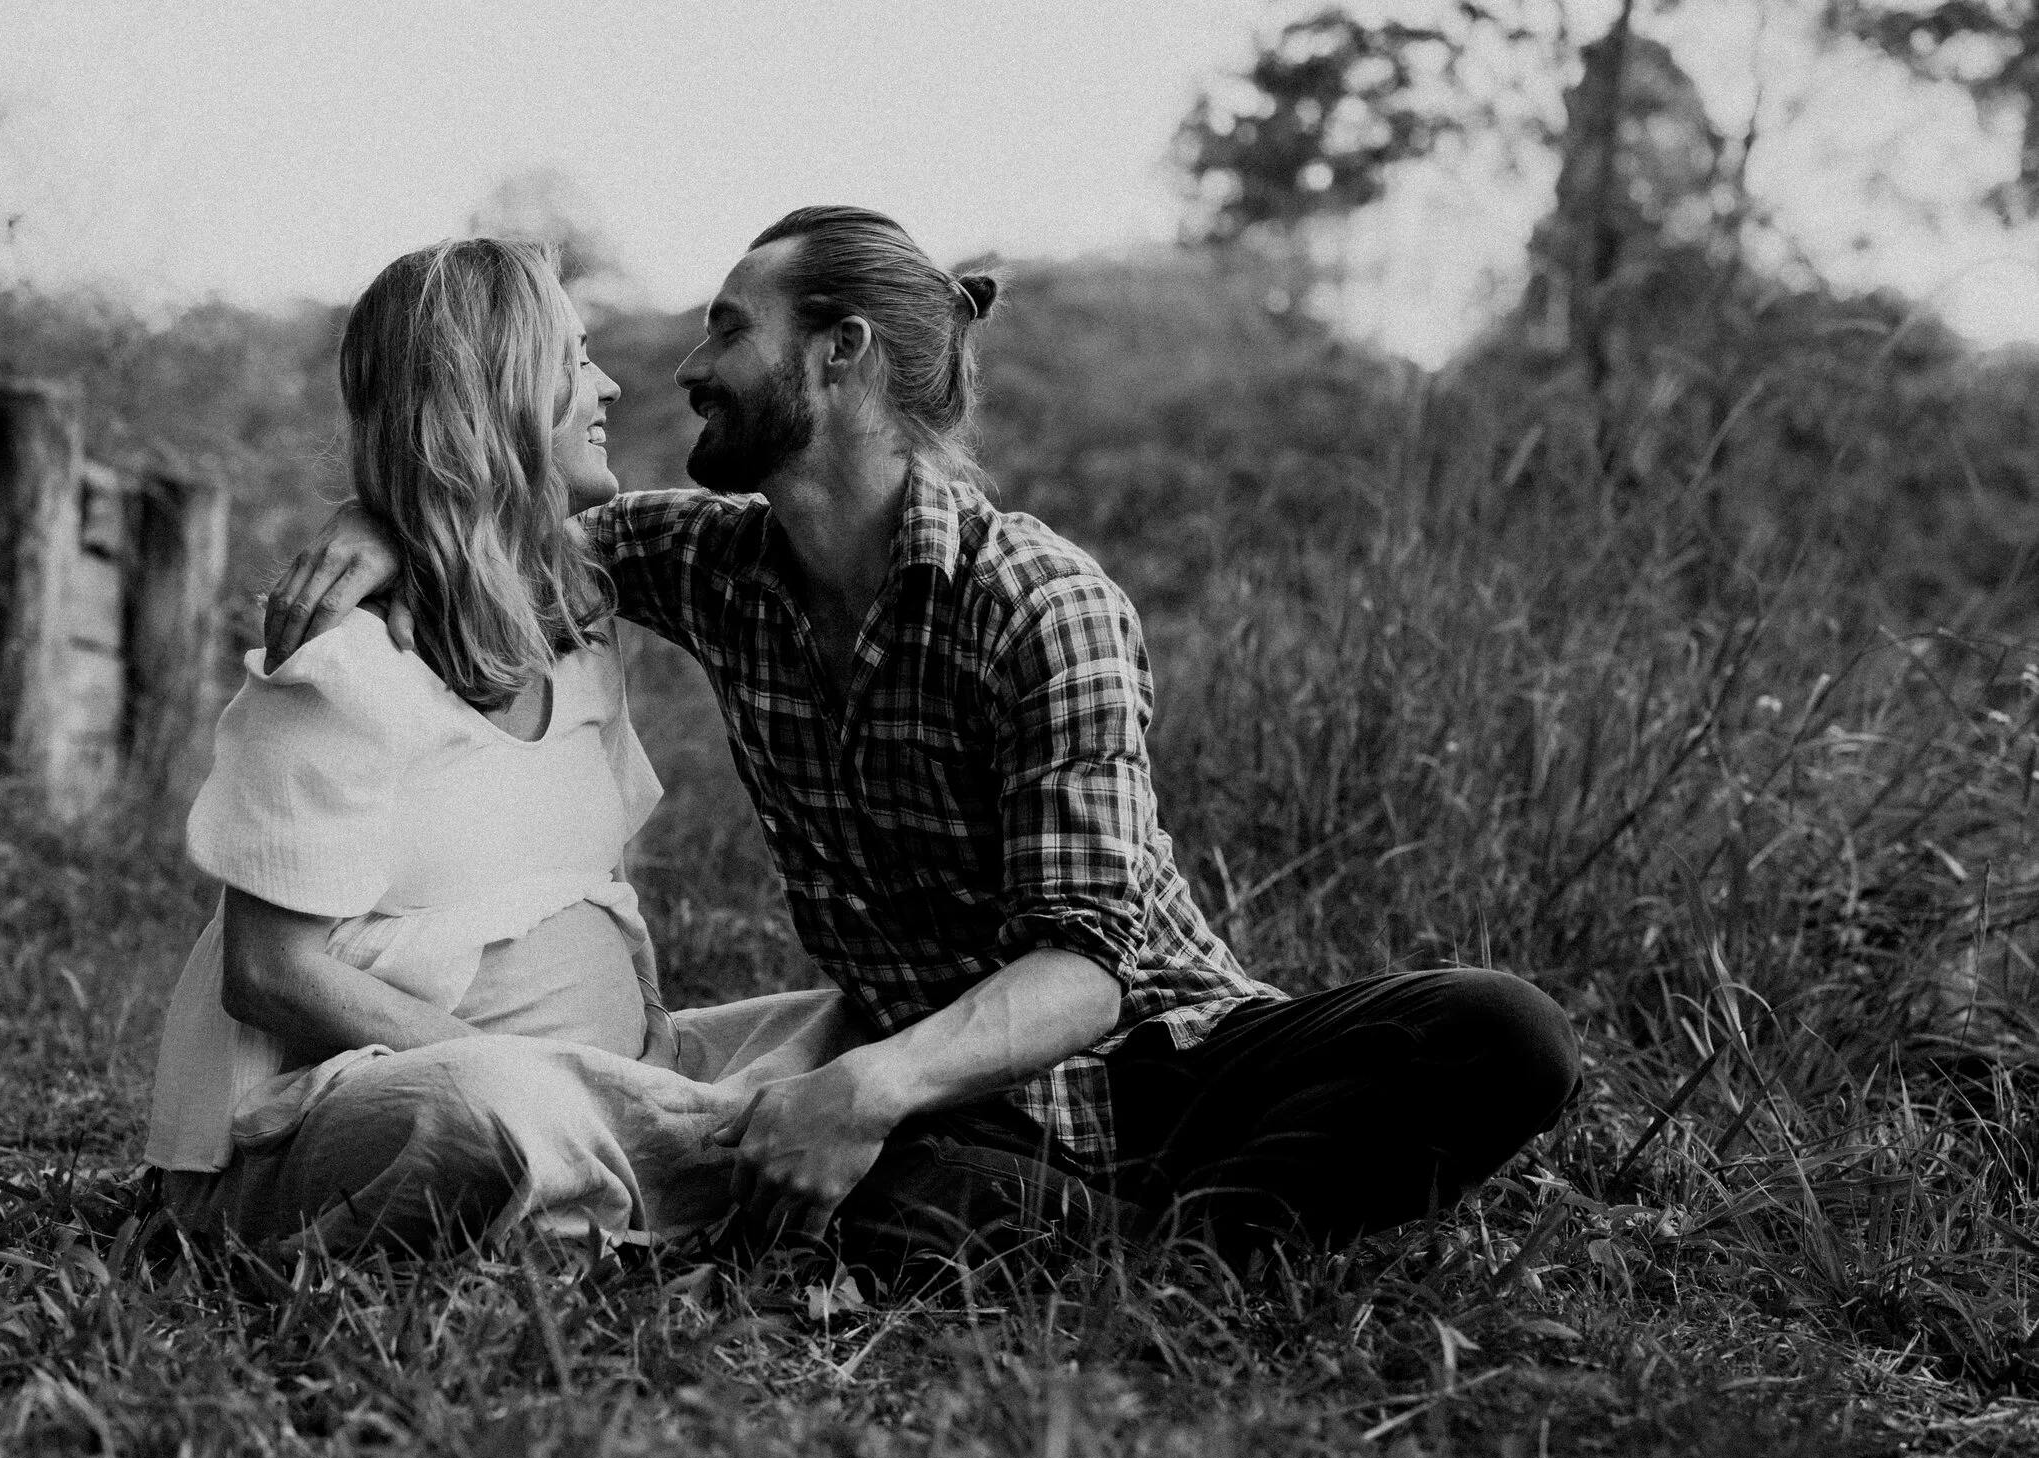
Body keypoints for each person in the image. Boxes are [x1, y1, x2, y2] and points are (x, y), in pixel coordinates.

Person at [262, 206, 1580, 1271]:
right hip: (958, 1111)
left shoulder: (1040, 606)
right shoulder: (712, 563)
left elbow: (1091, 971)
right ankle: (1165, 1253)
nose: (687, 369)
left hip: (1153, 1062)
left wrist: (869, 1087)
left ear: (837, 354)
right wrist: (374, 520)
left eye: (730, 327)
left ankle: (1147, 1240)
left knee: (1501, 1031)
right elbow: (505, 532)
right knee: (852, 1188)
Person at [146, 237, 877, 1264]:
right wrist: (572, 1079)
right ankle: (671, 1161)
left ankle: (652, 1157)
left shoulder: (581, 637)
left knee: (862, 1030)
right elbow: (270, 974)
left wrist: (641, 1054)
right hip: (346, 1114)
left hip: (604, 1073)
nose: (610, 382)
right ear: (492, 395)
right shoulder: (342, 670)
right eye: (575, 360)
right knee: (492, 1107)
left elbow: (594, 900)